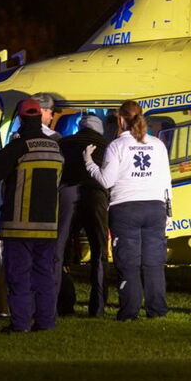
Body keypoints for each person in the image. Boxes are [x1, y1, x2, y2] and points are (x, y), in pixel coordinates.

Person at [84, 100, 172, 321]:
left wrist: (89, 162)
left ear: (121, 119)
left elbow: (106, 180)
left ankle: (129, 312)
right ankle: (157, 310)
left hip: (126, 209)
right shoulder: (157, 145)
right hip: (155, 207)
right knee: (153, 263)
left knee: (128, 263)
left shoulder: (117, 146)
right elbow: (166, 182)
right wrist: (169, 213)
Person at [0, 98, 64, 333]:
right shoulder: (55, 146)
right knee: (44, 277)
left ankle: (20, 324)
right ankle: (46, 322)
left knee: (18, 277)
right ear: (40, 117)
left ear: (20, 118)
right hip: (48, 225)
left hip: (19, 224)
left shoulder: (19, 146)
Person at [55, 114, 110, 316]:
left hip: (68, 195)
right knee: (99, 251)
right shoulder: (107, 145)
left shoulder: (64, 143)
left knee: (59, 251)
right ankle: (97, 307)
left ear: (80, 128)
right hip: (96, 197)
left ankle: (60, 303)